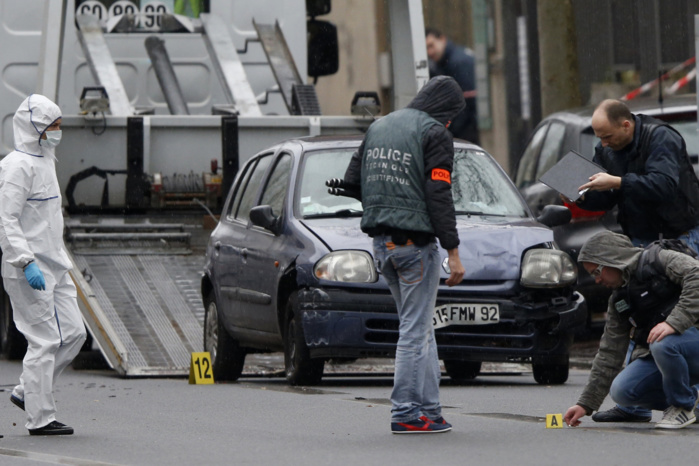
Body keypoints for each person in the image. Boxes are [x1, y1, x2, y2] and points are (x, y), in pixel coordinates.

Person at [340, 76, 465, 434]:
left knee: (422, 328)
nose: (450, 122)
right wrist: (453, 251)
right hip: (415, 246)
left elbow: (351, 180)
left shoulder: (380, 126)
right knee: (414, 330)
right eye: (451, 115)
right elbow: (438, 193)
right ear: (444, 109)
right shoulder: (434, 133)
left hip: (382, 244)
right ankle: (406, 412)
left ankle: (431, 410)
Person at [575, 98, 699, 422]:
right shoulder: (607, 151)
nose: (603, 145)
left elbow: (664, 186)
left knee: (670, 320)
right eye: (599, 139)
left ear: (626, 125)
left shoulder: (662, 138)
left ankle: (683, 403)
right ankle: (634, 404)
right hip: (640, 236)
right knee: (639, 315)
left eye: (607, 137)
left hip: (680, 233)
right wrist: (582, 194)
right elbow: (606, 198)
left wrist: (617, 181)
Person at [0, 94, 87, 436]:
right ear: (34, 127)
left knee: (75, 333)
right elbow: (6, 220)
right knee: (44, 340)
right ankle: (40, 417)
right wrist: (25, 261)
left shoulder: (46, 159)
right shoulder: (16, 167)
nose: (57, 132)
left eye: (59, 126)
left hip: (54, 264)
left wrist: (57, 261)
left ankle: (26, 392)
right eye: (52, 126)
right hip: (27, 268)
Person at [564, 231, 699, 429]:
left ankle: (681, 407)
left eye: (596, 272)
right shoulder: (619, 300)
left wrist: (674, 322)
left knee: (662, 343)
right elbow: (609, 352)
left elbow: (697, 276)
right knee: (623, 391)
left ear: (612, 260)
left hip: (687, 343)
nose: (596, 281)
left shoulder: (659, 259)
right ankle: (693, 406)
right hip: (668, 350)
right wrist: (585, 404)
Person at [425, 27, 479, 145]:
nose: (430, 52)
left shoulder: (457, 63)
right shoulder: (446, 62)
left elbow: (466, 103)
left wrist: (451, 131)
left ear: (442, 39)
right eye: (426, 48)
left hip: (466, 131)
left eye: (431, 45)